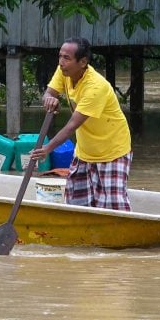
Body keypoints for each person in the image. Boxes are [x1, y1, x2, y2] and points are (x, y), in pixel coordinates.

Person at [30, 37, 133, 211]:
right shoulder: (64, 72)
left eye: (67, 58)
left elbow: (71, 126)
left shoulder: (95, 87)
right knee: (76, 205)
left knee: (112, 208)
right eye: (60, 56)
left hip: (112, 152)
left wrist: (48, 148)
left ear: (83, 62)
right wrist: (48, 99)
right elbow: (50, 92)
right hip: (85, 151)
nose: (61, 62)